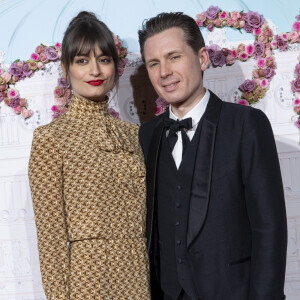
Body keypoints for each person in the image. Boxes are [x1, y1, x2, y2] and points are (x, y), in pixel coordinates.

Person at [138, 12, 287, 300]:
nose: (164, 72)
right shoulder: (147, 135)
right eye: (153, 63)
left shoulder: (246, 125)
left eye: (174, 57)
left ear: (203, 58)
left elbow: (270, 228)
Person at [28, 11, 150, 299]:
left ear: (115, 67)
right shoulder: (50, 140)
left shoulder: (134, 135)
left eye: (104, 60)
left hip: (139, 278)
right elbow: (51, 240)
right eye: (82, 61)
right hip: (88, 284)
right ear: (66, 68)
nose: (95, 71)